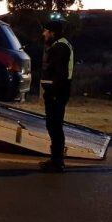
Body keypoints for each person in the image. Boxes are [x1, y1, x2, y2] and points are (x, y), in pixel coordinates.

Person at [39, 20, 74, 173]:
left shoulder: (60, 48)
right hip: (59, 93)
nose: (44, 34)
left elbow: (60, 74)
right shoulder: (63, 45)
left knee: (54, 127)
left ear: (53, 33)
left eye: (46, 31)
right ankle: (55, 160)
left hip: (56, 94)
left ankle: (57, 162)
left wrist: (51, 91)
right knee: (54, 126)